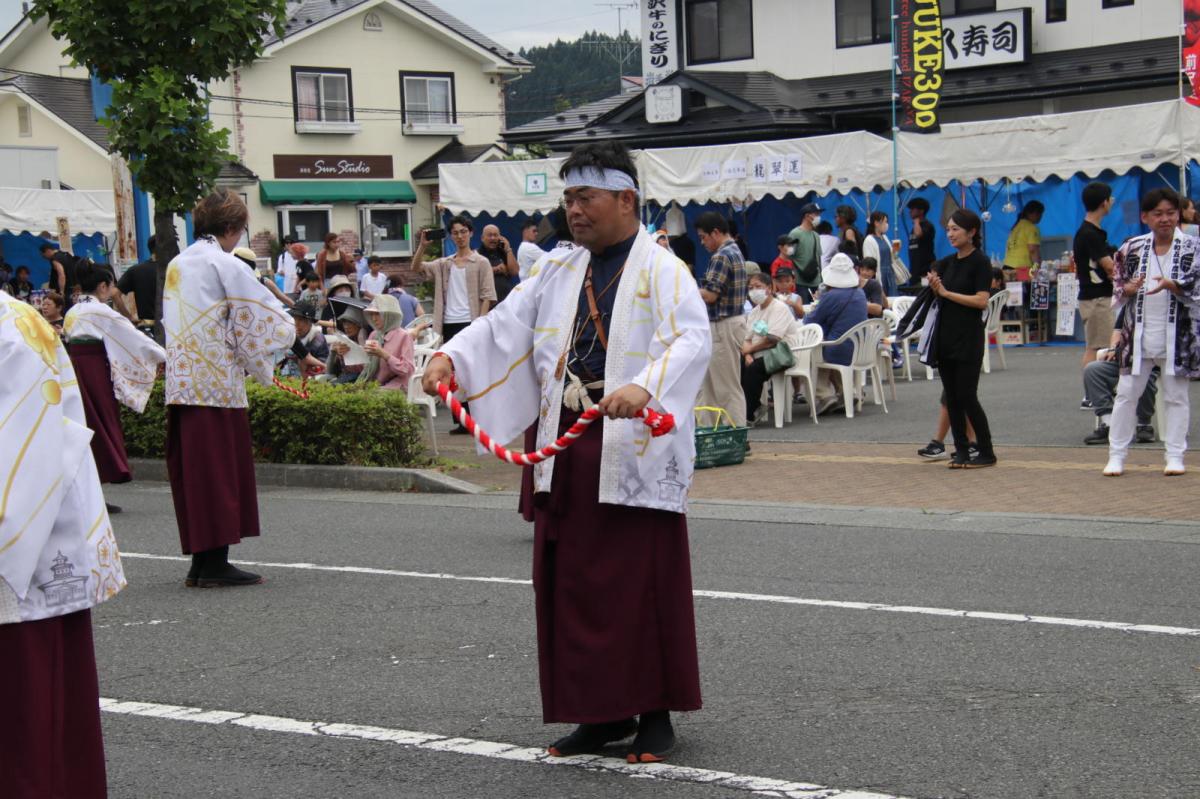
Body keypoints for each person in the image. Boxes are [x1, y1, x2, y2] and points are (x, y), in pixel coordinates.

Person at [422, 140, 709, 764]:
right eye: (569, 198)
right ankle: (599, 712)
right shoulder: (557, 269)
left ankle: (655, 713)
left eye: (587, 197)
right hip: (568, 434)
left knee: (640, 580)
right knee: (572, 579)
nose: (573, 211)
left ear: (625, 199)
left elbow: (692, 339)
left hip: (631, 439)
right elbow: (504, 325)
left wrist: (645, 384)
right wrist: (451, 356)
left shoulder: (664, 269)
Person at [0, 290, 127, 799]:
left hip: (21, 550)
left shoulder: (11, 329)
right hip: (31, 537)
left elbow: (22, 463)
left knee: (27, 718)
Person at [163, 189, 308, 588]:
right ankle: (214, 563)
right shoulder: (221, 263)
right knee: (220, 472)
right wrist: (295, 346)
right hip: (216, 384)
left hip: (183, 382)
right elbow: (259, 313)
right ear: (232, 227)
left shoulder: (179, 262)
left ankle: (201, 560)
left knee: (196, 473)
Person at [1103, 187, 1200, 477]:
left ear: (1179, 214)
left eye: (1171, 213)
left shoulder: (1193, 246)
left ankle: (1175, 455)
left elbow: (1196, 284)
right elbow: (1118, 284)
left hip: (1178, 335)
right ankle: (1116, 455)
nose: (1166, 219)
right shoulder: (1131, 247)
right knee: (1126, 395)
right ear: (1145, 217)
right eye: (1158, 214)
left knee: (1176, 396)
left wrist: (1175, 285)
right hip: (1138, 334)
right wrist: (1127, 289)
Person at [63, 261, 166, 513]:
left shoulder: (73, 310)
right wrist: (164, 355)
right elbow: (133, 337)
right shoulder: (101, 311)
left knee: (85, 425)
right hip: (95, 370)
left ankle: (89, 493)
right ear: (102, 286)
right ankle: (94, 492)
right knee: (101, 425)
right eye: (110, 286)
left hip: (74, 369)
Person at [928, 208, 997, 468]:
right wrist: (933, 280)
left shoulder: (980, 262)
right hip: (946, 337)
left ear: (972, 232)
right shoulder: (949, 262)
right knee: (952, 397)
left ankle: (987, 451)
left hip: (968, 338)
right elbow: (933, 270)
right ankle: (961, 450)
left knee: (968, 395)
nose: (950, 234)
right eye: (948, 229)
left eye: (956, 229)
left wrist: (945, 293)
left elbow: (982, 300)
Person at [696, 211, 749, 428]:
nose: (702, 242)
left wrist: (687, 289)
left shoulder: (721, 256)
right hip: (732, 323)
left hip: (722, 325)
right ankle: (711, 433)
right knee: (714, 385)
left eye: (703, 237)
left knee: (725, 387)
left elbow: (710, 295)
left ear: (715, 232)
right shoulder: (735, 250)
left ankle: (736, 435)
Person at [806, 253, 868, 415]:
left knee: (814, 352)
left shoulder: (831, 296)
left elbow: (811, 320)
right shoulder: (860, 294)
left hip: (839, 349)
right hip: (861, 348)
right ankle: (847, 392)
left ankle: (824, 395)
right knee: (834, 342)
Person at [1084, 313, 1158, 446]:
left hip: (1150, 359)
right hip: (1123, 357)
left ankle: (1144, 424)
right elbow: (1117, 331)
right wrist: (1113, 349)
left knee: (1143, 375)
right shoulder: (1129, 304)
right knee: (1092, 370)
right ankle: (1108, 423)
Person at [1074, 182, 1117, 388]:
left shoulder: (1091, 232)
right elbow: (1109, 267)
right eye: (1110, 198)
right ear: (1104, 203)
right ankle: (1092, 393)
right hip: (1096, 297)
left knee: (1100, 345)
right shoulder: (1089, 233)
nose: (1113, 202)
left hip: (1094, 296)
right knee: (1097, 347)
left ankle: (1095, 391)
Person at [741, 271, 795, 425]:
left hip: (779, 354)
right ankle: (754, 407)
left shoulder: (779, 308)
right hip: (758, 353)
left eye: (758, 286)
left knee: (753, 370)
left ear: (769, 288)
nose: (753, 291)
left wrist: (749, 351)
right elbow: (746, 339)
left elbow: (772, 339)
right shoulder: (754, 312)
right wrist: (747, 355)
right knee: (737, 365)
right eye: (750, 288)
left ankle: (749, 414)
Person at [359, 294, 415, 390]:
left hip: (397, 387)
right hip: (374, 385)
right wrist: (347, 354)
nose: (374, 318)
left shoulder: (404, 336)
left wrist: (384, 354)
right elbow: (366, 367)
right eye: (371, 314)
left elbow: (407, 370)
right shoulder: (374, 335)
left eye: (377, 314)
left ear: (390, 315)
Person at [116, 234, 161, 328]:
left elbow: (114, 294)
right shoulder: (172, 270)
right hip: (170, 328)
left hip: (146, 327)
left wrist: (129, 317)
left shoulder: (135, 270)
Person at [281, 300, 329, 378]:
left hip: (309, 379)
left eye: (301, 320)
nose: (296, 323)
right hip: (285, 376)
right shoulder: (289, 334)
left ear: (310, 321)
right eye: (294, 318)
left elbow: (322, 366)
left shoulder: (317, 339)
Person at [785, 202, 822, 301]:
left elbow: (818, 258)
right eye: (816, 214)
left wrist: (821, 279)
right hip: (801, 282)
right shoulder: (795, 234)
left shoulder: (816, 235)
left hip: (816, 281)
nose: (819, 217)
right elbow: (788, 256)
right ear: (807, 216)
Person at [325, 305, 369, 384]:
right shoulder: (343, 341)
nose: (346, 326)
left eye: (350, 322)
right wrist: (333, 352)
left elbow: (368, 370)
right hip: (343, 379)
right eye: (344, 322)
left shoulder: (368, 339)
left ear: (359, 324)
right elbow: (328, 371)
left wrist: (361, 340)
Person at [1004, 200, 1044, 281]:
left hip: (1007, 267)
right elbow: (1033, 250)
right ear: (1034, 213)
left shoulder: (1015, 227)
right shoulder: (1032, 228)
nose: (1041, 217)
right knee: (1025, 293)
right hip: (1022, 269)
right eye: (1040, 214)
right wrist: (1035, 269)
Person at [478, 224, 519, 303]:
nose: (493, 238)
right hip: (486, 303)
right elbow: (475, 274)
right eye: (489, 235)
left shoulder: (505, 253)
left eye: (495, 235)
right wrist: (495, 269)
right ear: (482, 238)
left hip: (505, 301)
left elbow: (515, 272)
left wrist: (508, 249)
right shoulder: (477, 254)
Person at [863, 211, 899, 297]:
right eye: (885, 222)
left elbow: (891, 256)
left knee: (892, 299)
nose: (887, 225)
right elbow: (869, 262)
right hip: (879, 273)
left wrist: (894, 250)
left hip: (890, 274)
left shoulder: (885, 238)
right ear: (876, 223)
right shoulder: (869, 240)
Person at [907, 198, 937, 283]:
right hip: (914, 270)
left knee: (923, 291)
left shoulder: (927, 226)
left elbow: (919, 234)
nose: (910, 211)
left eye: (913, 209)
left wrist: (916, 222)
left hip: (925, 270)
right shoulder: (915, 228)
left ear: (921, 211)